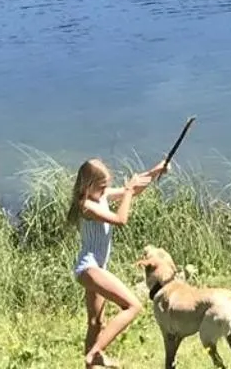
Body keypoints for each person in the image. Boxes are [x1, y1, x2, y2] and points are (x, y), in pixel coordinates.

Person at [69, 156, 169, 369]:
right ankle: (95, 354)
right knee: (133, 306)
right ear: (88, 186)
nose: (105, 189)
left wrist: (155, 171)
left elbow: (132, 189)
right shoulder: (86, 206)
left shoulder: (101, 196)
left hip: (96, 268)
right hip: (89, 268)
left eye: (105, 186)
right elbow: (120, 220)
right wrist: (129, 191)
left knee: (96, 322)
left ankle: (92, 365)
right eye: (101, 186)